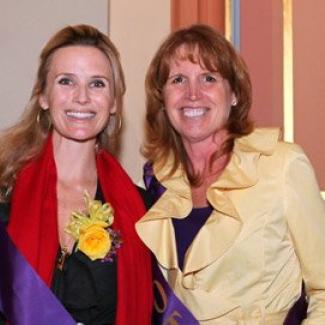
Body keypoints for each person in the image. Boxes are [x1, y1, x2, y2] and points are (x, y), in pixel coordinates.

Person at [136, 24, 325, 324]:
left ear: (234, 93)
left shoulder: (282, 165)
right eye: (178, 80)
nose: (192, 94)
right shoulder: (157, 184)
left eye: (208, 78)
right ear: (163, 98)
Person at [0, 24, 152, 324]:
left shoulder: (140, 210)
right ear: (43, 96)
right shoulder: (4, 191)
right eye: (66, 81)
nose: (82, 97)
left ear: (113, 103)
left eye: (97, 84)